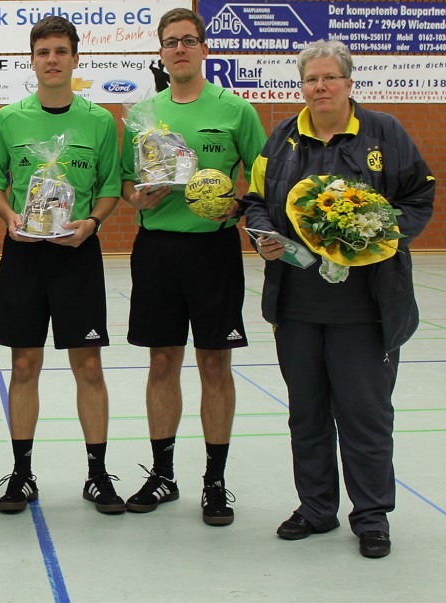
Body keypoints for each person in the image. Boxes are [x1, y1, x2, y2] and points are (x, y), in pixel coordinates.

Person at [242, 40, 435, 558]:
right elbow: (256, 200)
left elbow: (419, 195)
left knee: (364, 416)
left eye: (330, 78)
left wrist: (380, 236)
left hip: (367, 311)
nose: (320, 87)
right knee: (306, 414)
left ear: (349, 83)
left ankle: (371, 516)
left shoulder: (384, 133)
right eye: (311, 80)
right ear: (301, 85)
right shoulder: (282, 136)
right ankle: (316, 508)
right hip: (296, 308)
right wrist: (263, 234)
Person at [119, 8, 267, 526]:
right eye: (170, 42)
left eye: (188, 40)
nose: (179, 49)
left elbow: (264, 178)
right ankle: (163, 474)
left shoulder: (235, 110)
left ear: (204, 49)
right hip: (157, 249)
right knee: (162, 362)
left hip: (214, 252)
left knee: (213, 364)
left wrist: (240, 205)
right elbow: (126, 185)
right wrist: (138, 199)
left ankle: (215, 481)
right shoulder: (142, 115)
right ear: (160, 52)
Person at [0, 16, 124, 515]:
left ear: (75, 58)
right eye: (43, 52)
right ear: (33, 59)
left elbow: (109, 187)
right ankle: (21, 474)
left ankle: (98, 474)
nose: (52, 60)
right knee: (24, 364)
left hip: (77, 253)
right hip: (24, 253)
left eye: (60, 51)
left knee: (88, 366)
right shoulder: (9, 119)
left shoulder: (100, 121)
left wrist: (91, 224)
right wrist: (8, 216)